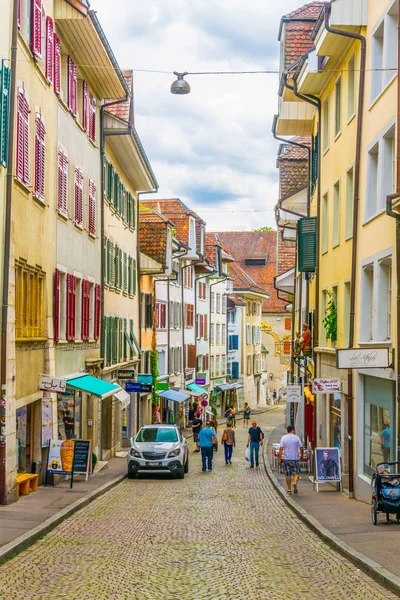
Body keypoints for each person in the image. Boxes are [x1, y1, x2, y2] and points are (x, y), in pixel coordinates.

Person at [278, 425, 303, 495]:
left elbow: (281, 449)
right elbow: (301, 447)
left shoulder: (284, 438)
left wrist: (279, 458)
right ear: (292, 430)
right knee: (296, 473)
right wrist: (302, 455)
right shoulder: (296, 438)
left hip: (286, 459)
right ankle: (295, 482)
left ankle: (289, 489)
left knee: (288, 475)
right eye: (294, 430)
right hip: (295, 458)